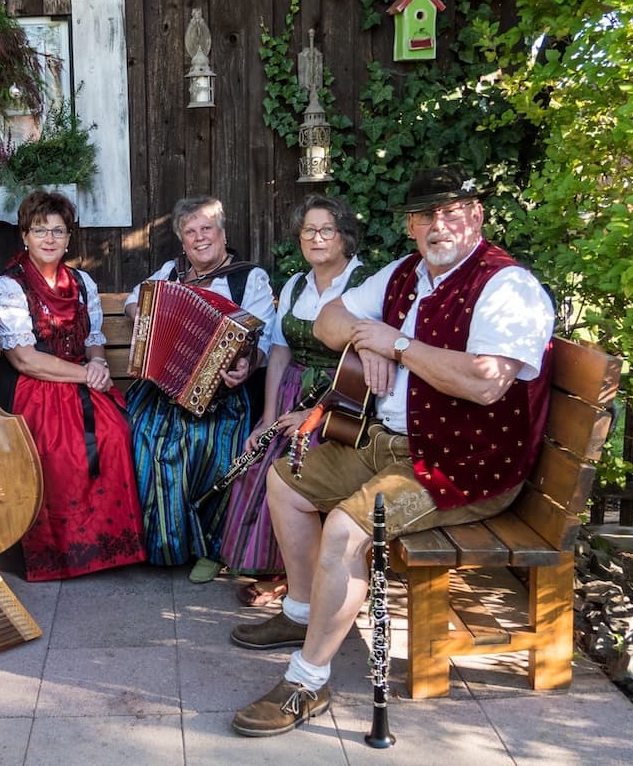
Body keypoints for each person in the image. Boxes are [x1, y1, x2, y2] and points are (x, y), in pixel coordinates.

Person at [229, 164, 555, 737]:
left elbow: (485, 381)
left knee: (346, 532)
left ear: (476, 214)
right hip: (382, 443)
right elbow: (329, 314)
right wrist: (362, 334)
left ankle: (307, 680)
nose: (438, 224)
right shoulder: (406, 272)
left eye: (452, 211)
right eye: (426, 214)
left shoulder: (507, 286)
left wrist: (398, 344)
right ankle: (302, 613)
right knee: (285, 480)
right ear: (409, 225)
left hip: (459, 465)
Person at [219, 195, 371, 606]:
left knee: (297, 463)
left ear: (345, 238)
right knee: (262, 455)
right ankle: (281, 570)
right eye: (308, 231)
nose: (316, 238)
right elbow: (281, 351)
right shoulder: (296, 285)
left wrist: (313, 413)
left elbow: (366, 365)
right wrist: (269, 416)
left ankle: (303, 579)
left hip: (345, 402)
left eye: (326, 230)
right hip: (293, 389)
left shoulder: (364, 285)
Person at [0, 189, 145, 581]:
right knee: (59, 447)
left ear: (69, 237)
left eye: (58, 231)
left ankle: (106, 549)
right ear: (24, 235)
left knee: (116, 430)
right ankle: (62, 554)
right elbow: (23, 358)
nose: (49, 239)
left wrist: (96, 363)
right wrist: (87, 375)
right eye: (40, 230)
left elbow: (92, 338)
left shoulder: (81, 282)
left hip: (80, 378)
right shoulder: (9, 287)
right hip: (34, 384)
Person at [124, 196, 276, 583]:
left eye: (206, 228)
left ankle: (211, 548)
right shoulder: (171, 273)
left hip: (222, 394)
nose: (199, 238)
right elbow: (133, 301)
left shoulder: (248, 278)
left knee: (211, 443)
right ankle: (164, 546)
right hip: (165, 389)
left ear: (222, 233)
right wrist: (147, 314)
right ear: (182, 241)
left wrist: (246, 364)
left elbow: (265, 339)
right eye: (190, 232)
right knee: (148, 436)